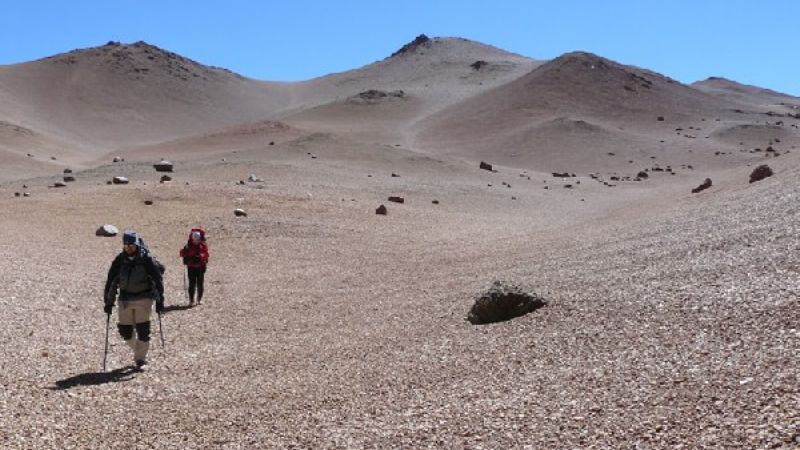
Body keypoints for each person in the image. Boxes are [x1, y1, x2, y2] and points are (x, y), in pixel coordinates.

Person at [104, 230, 164, 368]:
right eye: (126, 245)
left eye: (132, 245)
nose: (129, 247)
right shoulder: (119, 261)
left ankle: (140, 359)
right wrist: (108, 302)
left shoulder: (146, 260)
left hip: (144, 299)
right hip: (125, 299)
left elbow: (156, 281)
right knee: (125, 331)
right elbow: (111, 282)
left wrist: (160, 301)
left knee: (143, 330)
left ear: (137, 245)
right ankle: (140, 351)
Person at [180, 228, 209, 305]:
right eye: (194, 240)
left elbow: (206, 255)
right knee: (192, 284)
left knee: (200, 283)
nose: (196, 241)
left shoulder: (203, 246)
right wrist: (186, 253)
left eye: (197, 240)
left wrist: (200, 257)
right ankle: (191, 300)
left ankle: (199, 299)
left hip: (200, 267)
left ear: (200, 239)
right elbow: (181, 253)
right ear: (192, 239)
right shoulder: (188, 246)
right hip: (191, 267)